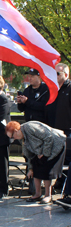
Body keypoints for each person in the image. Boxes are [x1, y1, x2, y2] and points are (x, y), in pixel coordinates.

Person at [6, 121, 65, 204]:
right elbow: (30, 156)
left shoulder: (30, 127)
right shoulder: (23, 139)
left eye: (12, 136)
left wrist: (44, 154)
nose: (14, 139)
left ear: (16, 130)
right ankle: (37, 194)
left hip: (55, 145)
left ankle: (48, 195)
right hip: (42, 151)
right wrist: (31, 169)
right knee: (35, 166)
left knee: (46, 168)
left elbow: (49, 137)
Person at [46, 63, 71, 191]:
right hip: (55, 130)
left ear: (65, 75)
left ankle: (63, 185)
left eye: (58, 73)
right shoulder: (54, 90)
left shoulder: (69, 88)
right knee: (57, 157)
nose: (55, 76)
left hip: (68, 130)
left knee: (66, 157)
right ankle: (59, 182)